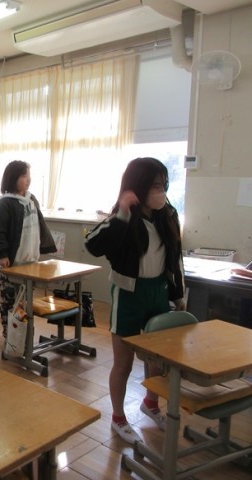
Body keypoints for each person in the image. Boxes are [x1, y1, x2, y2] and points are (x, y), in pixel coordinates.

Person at [85, 157, 185, 444]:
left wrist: (178, 294)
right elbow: (93, 244)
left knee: (156, 359)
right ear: (138, 186)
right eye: (154, 185)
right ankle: (118, 417)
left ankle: (150, 404)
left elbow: (176, 258)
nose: (160, 191)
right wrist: (123, 213)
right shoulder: (123, 216)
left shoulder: (168, 215)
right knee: (124, 363)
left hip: (158, 292)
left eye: (163, 185)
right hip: (129, 294)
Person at [0, 160, 56, 337]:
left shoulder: (31, 199)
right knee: (10, 302)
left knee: (25, 302)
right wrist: (3, 254)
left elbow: (40, 224)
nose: (28, 179)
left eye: (29, 176)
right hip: (13, 264)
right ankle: (10, 338)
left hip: (30, 262)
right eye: (24, 176)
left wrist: (47, 245)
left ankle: (24, 337)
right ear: (13, 178)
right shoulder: (5, 202)